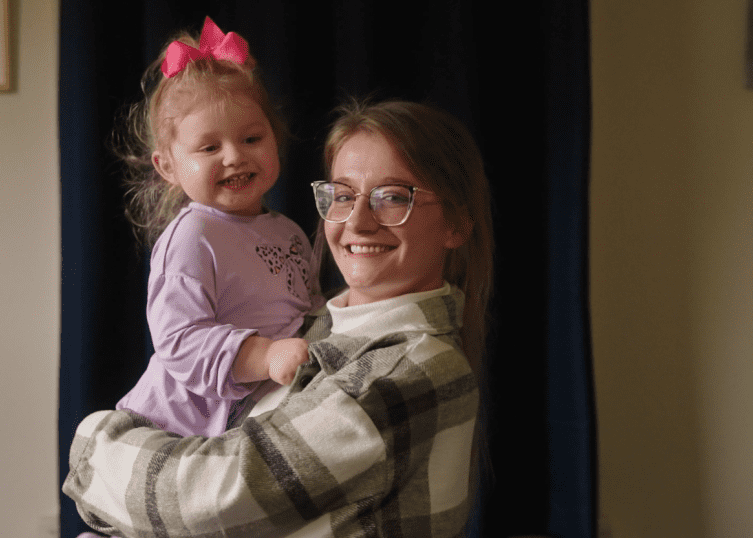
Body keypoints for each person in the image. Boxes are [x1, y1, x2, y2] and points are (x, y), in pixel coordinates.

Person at [64, 99, 495, 537]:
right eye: (343, 195)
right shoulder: (312, 327)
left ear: (456, 223)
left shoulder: (405, 370)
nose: (358, 222)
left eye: (393, 197)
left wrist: (94, 442)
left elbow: (208, 500)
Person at [111, 16, 322, 440]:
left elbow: (308, 314)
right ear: (167, 166)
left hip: (257, 416)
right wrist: (265, 355)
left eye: (251, 139)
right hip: (181, 430)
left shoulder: (290, 233)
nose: (234, 157)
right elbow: (180, 341)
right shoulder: (193, 238)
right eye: (209, 147)